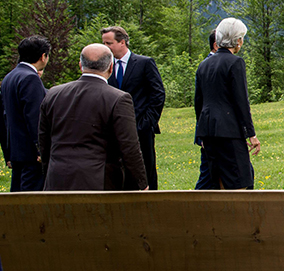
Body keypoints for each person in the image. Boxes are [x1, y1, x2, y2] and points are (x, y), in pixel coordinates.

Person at [38, 44, 148, 191]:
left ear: (80, 66)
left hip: (57, 177)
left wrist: (49, 172)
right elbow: (129, 146)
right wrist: (141, 183)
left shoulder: (53, 94)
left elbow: (44, 142)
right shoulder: (118, 98)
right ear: (111, 67)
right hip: (98, 181)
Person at [194, 18, 260, 190]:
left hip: (208, 131)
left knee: (218, 180)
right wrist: (251, 134)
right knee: (240, 181)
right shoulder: (235, 63)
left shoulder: (204, 64)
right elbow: (241, 102)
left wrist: (201, 130)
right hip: (229, 130)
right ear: (238, 40)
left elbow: (198, 102)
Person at [101, 26, 166, 191]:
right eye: (103, 43)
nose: (105, 47)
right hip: (114, 130)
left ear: (122, 42)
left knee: (145, 170)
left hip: (141, 129)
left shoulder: (144, 63)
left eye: (109, 43)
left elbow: (157, 94)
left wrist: (147, 123)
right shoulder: (104, 67)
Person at [1, 36, 50, 191]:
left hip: (16, 150)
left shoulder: (10, 77)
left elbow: (5, 117)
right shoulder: (30, 78)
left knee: (17, 199)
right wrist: (41, 148)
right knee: (31, 202)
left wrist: (8, 152)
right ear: (43, 56)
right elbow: (35, 117)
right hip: (31, 154)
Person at [194, 29, 218, 190]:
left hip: (211, 130)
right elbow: (200, 103)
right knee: (208, 175)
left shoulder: (207, 64)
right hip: (212, 131)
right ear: (216, 45)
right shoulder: (209, 66)